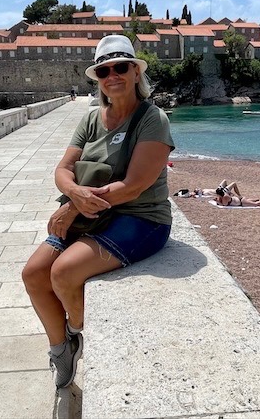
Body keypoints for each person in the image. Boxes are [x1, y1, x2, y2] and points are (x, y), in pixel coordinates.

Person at [22, 35, 174, 389]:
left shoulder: (153, 119)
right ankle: (61, 349)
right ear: (98, 78)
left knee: (63, 273)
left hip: (142, 218)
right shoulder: (92, 118)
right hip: (95, 214)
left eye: (120, 67)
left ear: (136, 72)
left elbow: (134, 186)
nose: (112, 75)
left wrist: (74, 205)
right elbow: (63, 169)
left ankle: (76, 329)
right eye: (104, 70)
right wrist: (74, 193)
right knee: (34, 274)